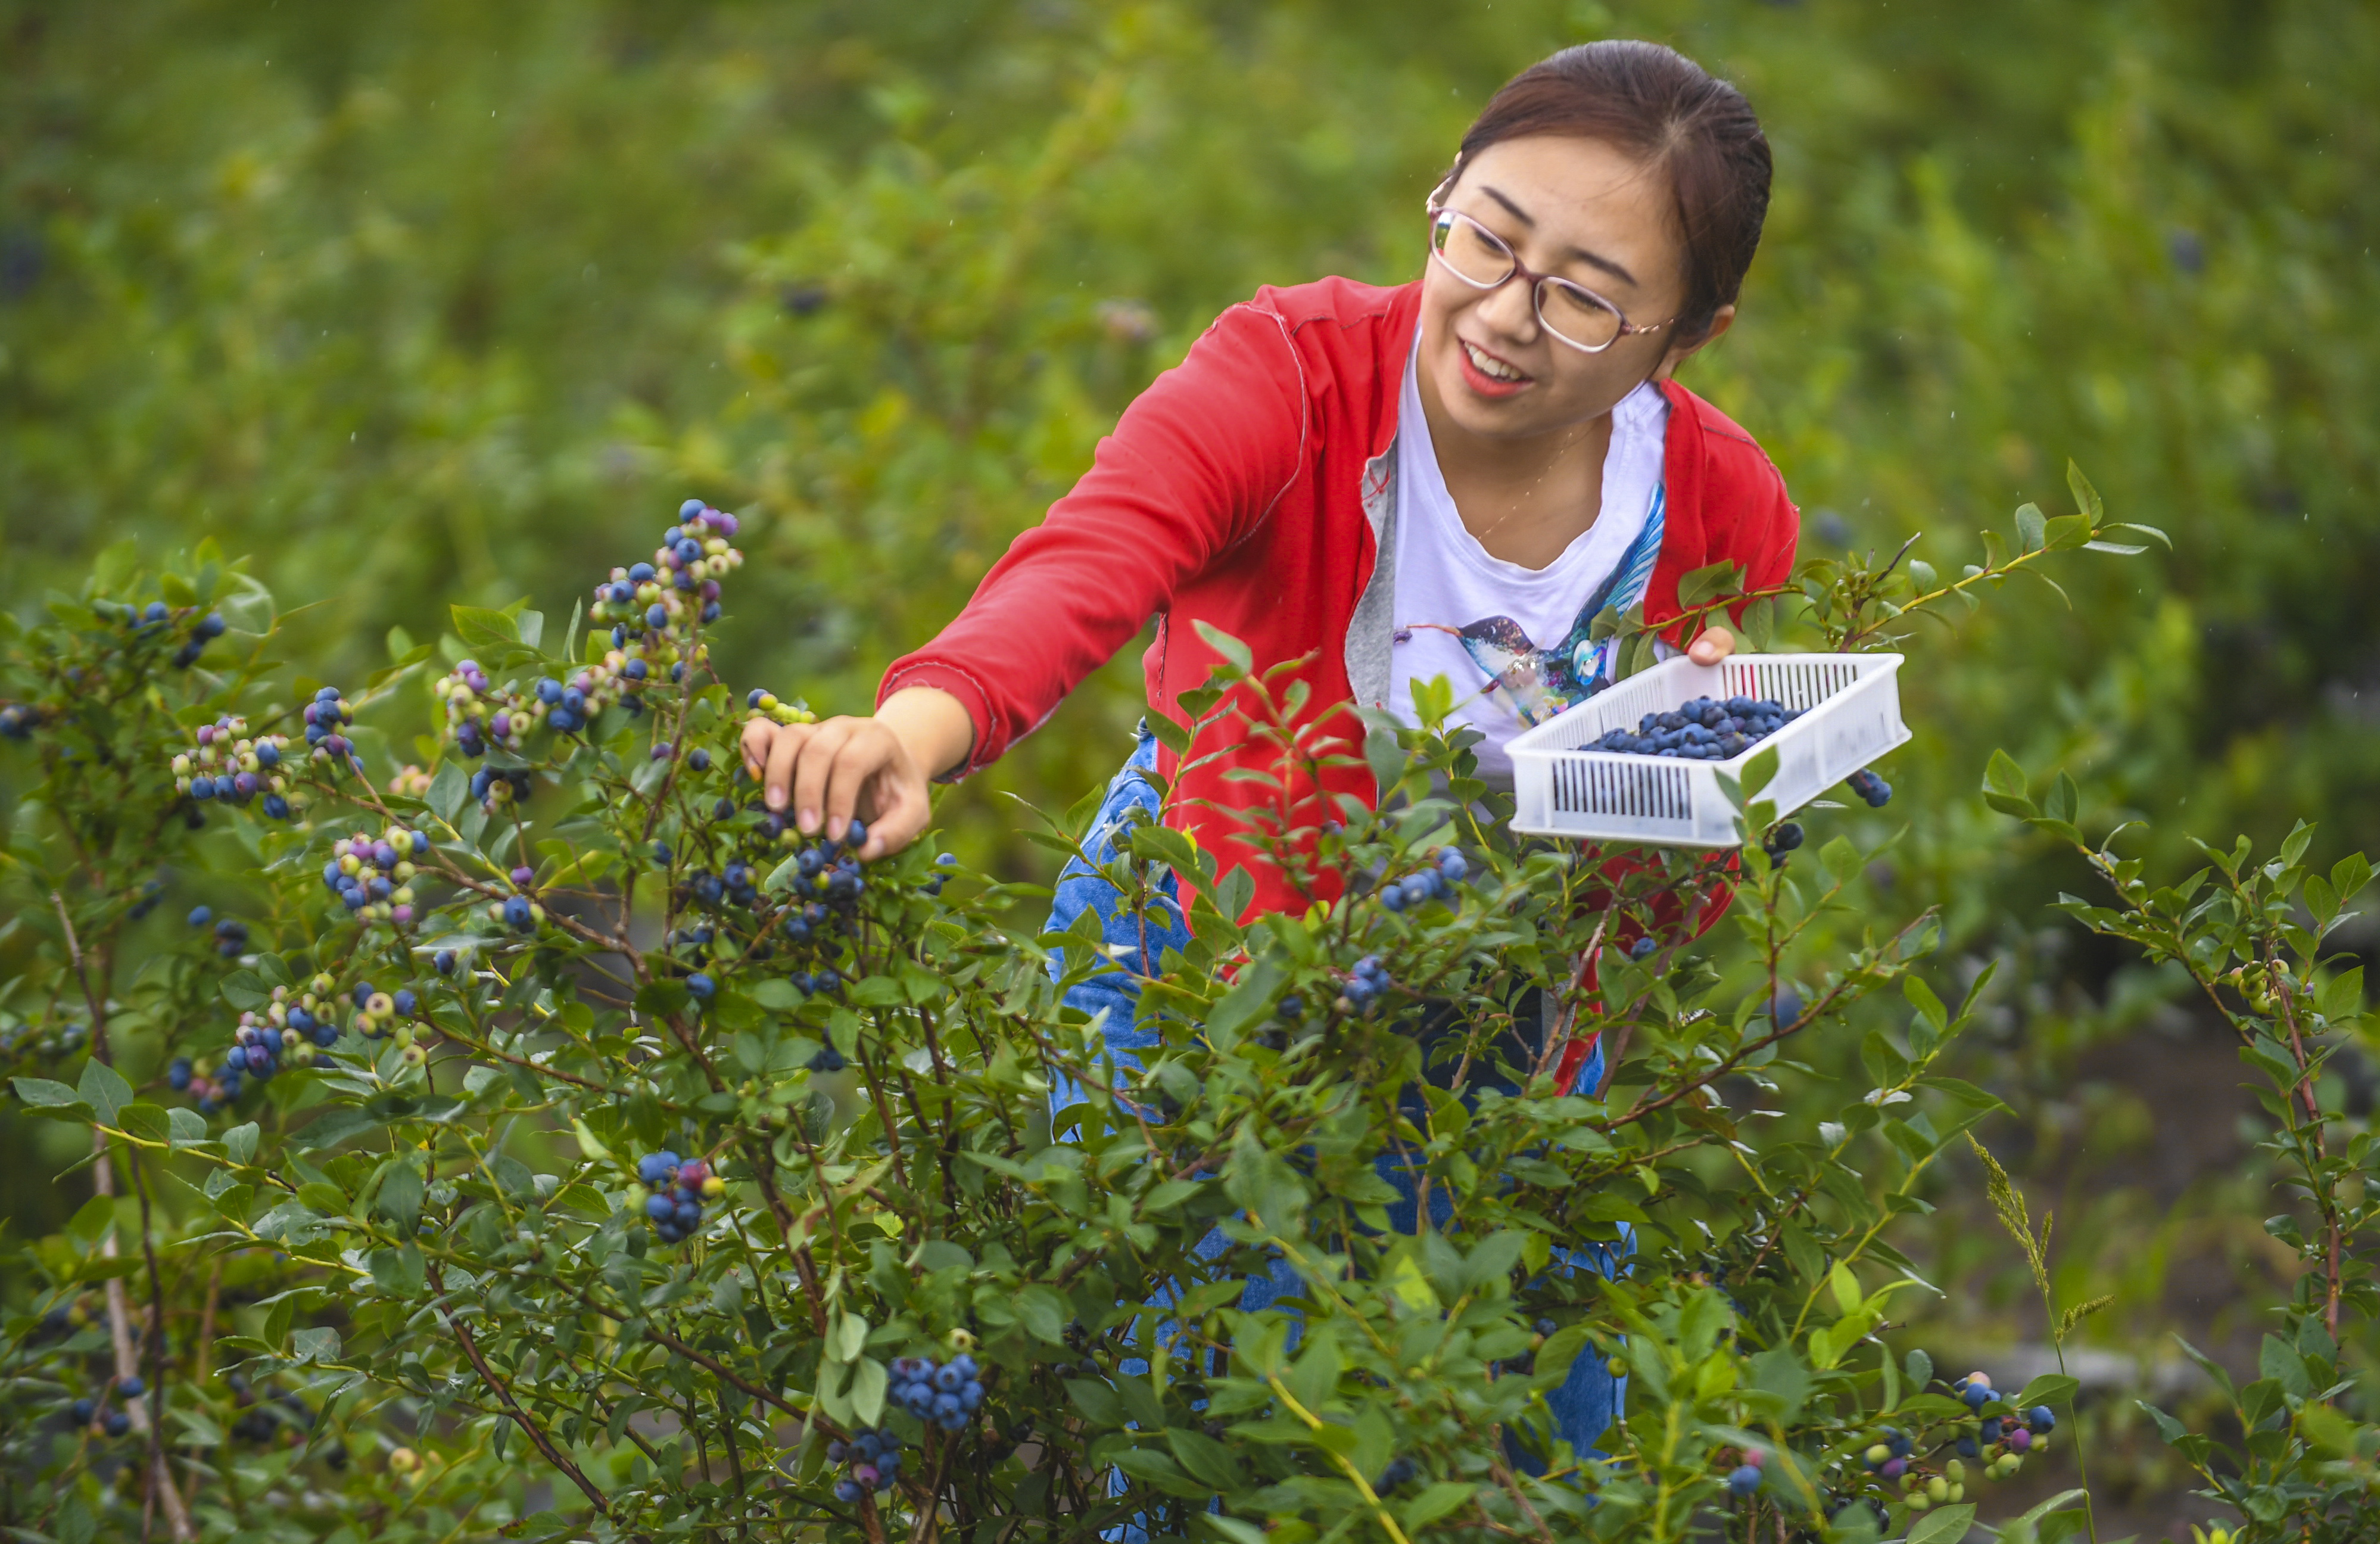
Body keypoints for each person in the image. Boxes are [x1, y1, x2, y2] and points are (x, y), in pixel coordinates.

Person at [743, 39, 1797, 1464]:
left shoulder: (1721, 510)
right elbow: (1096, 557)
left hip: (1517, 1034)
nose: (1503, 313)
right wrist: (916, 731)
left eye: (1587, 297)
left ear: (1686, 337)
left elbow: (1676, 864)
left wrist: (1690, 809)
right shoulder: (1293, 378)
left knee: (1524, 1451)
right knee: (1200, 1432)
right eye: (1484, 236)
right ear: (1441, 198)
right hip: (1202, 982)